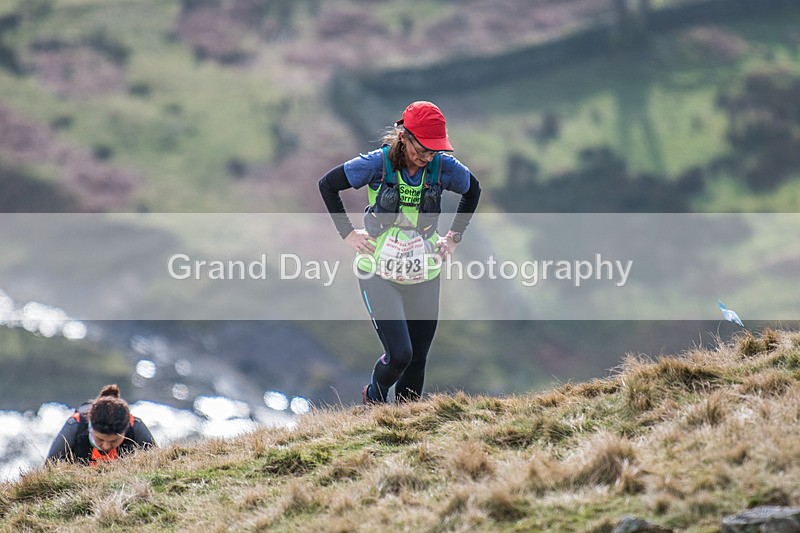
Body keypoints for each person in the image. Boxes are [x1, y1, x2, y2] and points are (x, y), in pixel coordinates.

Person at [319, 101, 481, 404]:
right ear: (403, 137)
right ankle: (374, 399)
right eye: (422, 150)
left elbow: (473, 191)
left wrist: (454, 237)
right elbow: (328, 185)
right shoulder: (375, 165)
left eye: (434, 151)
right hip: (378, 272)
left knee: (418, 359)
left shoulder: (444, 167)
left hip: (424, 272)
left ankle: (407, 422)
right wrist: (348, 234)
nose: (427, 158)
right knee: (400, 356)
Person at [46, 384, 155, 465]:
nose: (106, 447)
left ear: (125, 430)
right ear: (90, 426)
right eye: (99, 439)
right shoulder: (74, 427)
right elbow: (49, 470)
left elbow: (156, 466)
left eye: (114, 441)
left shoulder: (136, 427)